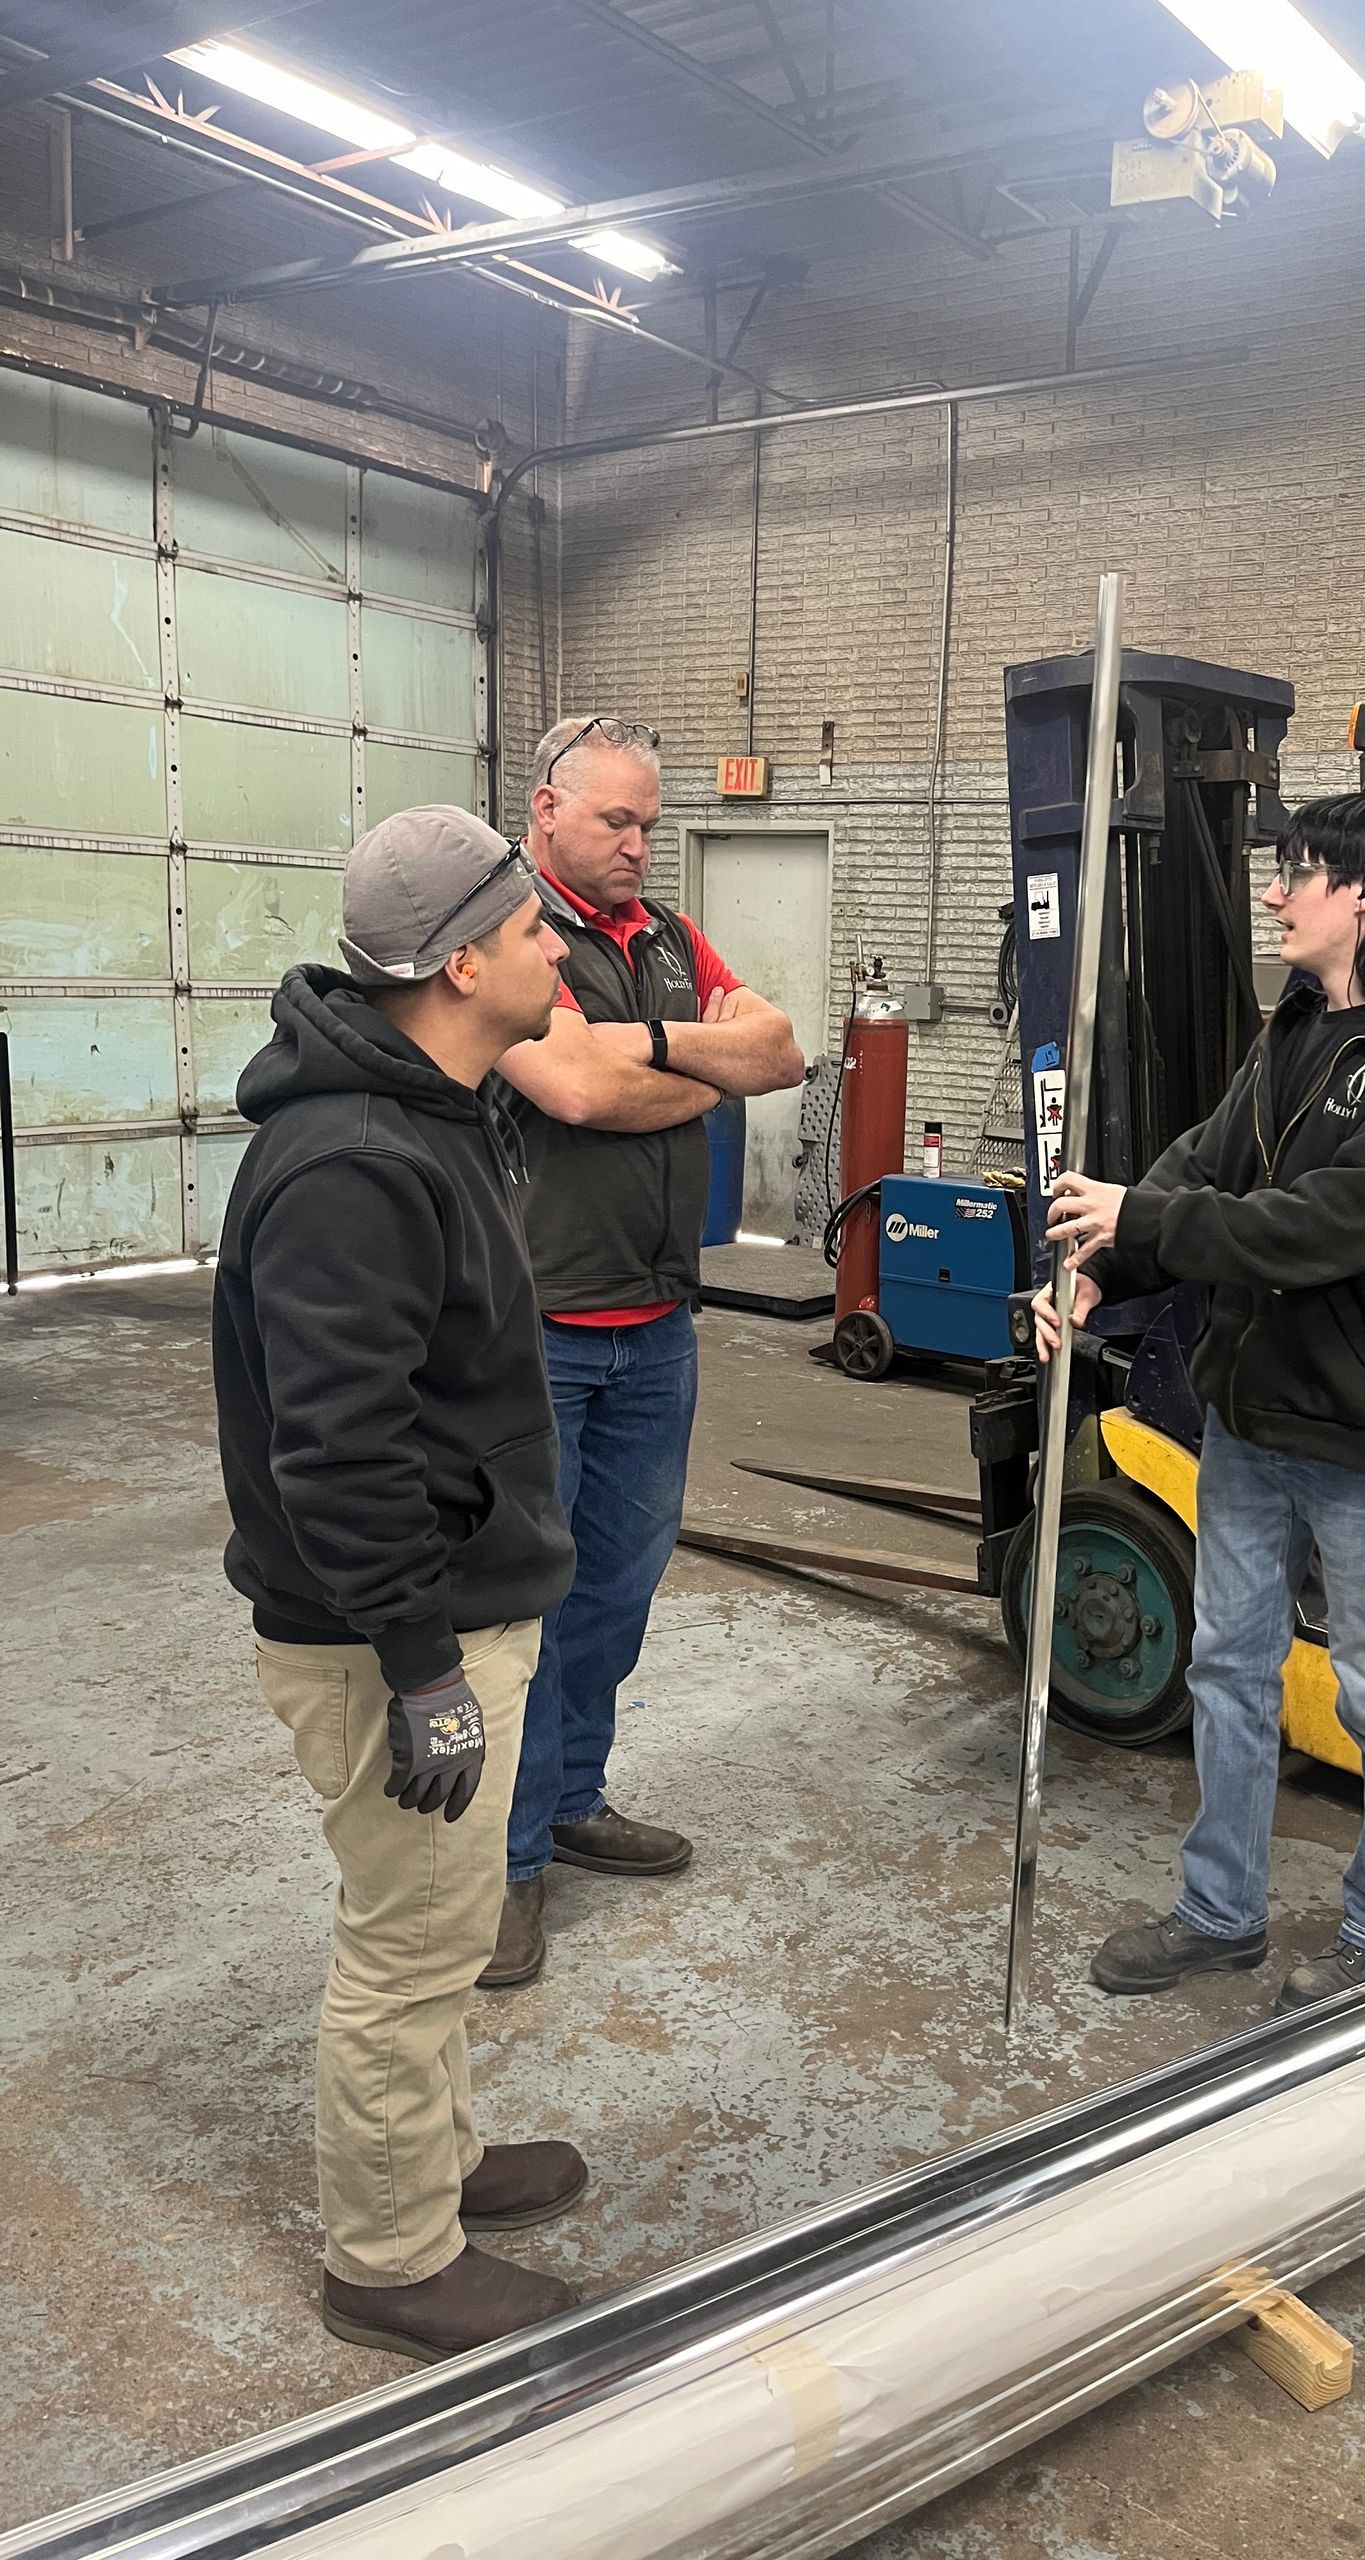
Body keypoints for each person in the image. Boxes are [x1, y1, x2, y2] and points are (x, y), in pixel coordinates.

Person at [1036, 794, 1365, 2013]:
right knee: (1228, 1668)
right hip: (1252, 1421)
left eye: (1298, 874)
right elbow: (1203, 1169)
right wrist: (1102, 1268)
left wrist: (1144, 1219)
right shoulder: (1294, 1030)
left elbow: (1335, 1224)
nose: (1273, 894)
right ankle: (1221, 1911)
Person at [212, 806, 588, 2362]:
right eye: (531, 928)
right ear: (454, 964)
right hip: (387, 1645)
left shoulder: (427, 1109)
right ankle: (386, 2252)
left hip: (439, 1612)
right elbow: (339, 1450)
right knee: (413, 1942)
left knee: (430, 1935)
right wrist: (424, 1669)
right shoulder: (353, 1165)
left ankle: (435, 2158)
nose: (556, 945)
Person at [483, 714, 805, 1989]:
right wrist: (697, 1065)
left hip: (658, 1327)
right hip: (541, 1333)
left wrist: (657, 1048)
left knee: (615, 1594)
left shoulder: (664, 938)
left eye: (650, 822)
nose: (638, 842)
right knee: (520, 1612)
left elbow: (780, 1047)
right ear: (546, 810)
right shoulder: (503, 937)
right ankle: (505, 1877)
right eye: (616, 820)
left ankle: (570, 1800)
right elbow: (572, 1092)